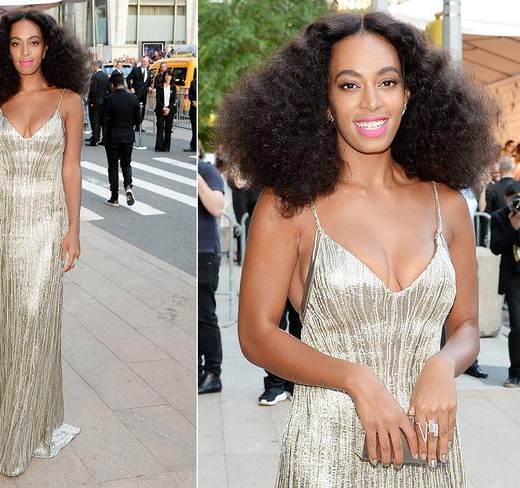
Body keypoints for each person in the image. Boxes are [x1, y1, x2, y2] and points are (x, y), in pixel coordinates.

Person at [218, 12, 498, 485]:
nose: (372, 102)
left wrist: (444, 363)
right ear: (324, 102)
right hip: (327, 449)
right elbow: (256, 334)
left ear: (409, 95)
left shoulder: (446, 204)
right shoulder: (289, 206)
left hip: (427, 445)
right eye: (349, 86)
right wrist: (357, 379)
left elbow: (466, 324)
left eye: (386, 82)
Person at [0, 9, 87, 476]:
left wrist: (74, 227)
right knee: (6, 323)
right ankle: (14, 413)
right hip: (2, 224)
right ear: (4, 49)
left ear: (48, 47)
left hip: (46, 226)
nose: (25, 53)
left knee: (35, 318)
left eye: (33, 43)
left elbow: (71, 168)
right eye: (16, 44)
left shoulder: (69, 100)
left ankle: (20, 434)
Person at [198, 142, 225, 394]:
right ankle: (197, 369)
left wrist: (197, 180)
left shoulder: (207, 172)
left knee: (206, 316)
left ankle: (213, 372)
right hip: (195, 252)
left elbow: (217, 207)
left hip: (205, 252)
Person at [490, 181, 520, 388]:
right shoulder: (499, 217)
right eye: (512, 199)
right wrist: (513, 228)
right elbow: (496, 247)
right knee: (517, 327)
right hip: (513, 280)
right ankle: (515, 373)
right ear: (506, 199)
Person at [102, 71, 141, 206]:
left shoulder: (109, 99)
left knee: (113, 167)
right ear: (123, 83)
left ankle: (114, 197)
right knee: (126, 163)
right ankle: (128, 186)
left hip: (112, 137)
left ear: (112, 84)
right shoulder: (133, 99)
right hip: (128, 136)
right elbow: (138, 119)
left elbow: (103, 120)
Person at [126, 55, 153, 132]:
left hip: (144, 94)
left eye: (146, 62)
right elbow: (128, 78)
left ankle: (138, 126)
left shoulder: (149, 72)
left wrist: (150, 87)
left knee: (142, 110)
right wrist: (131, 88)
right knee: (134, 109)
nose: (145, 63)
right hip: (136, 94)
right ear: (141, 62)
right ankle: (131, 125)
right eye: (143, 62)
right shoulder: (135, 70)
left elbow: (148, 83)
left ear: (148, 63)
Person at [86, 60, 109, 146]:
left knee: (95, 121)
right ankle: (104, 138)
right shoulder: (106, 76)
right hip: (103, 102)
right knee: (103, 121)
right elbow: (109, 90)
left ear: (96, 66)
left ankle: (95, 138)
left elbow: (93, 90)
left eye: (92, 66)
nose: (91, 68)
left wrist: (90, 100)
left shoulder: (95, 77)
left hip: (95, 102)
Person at [154, 69, 176, 152]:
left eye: (169, 75)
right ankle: (158, 146)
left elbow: (173, 99)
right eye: (166, 75)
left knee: (168, 128)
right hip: (160, 109)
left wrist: (168, 108)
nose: (167, 77)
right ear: (164, 76)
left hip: (170, 110)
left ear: (171, 77)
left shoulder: (173, 87)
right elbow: (158, 98)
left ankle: (166, 147)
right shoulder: (160, 86)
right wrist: (163, 107)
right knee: (160, 128)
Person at [185, 75, 196, 152]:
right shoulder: (193, 82)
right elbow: (190, 94)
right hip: (193, 108)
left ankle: (194, 145)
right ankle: (193, 145)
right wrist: (193, 101)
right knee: (194, 128)